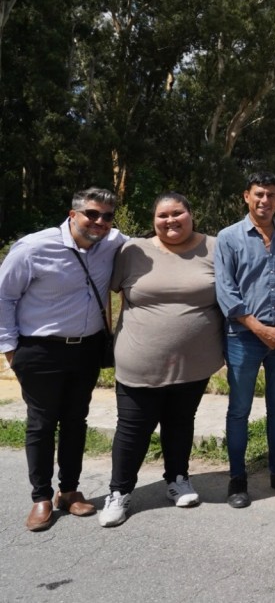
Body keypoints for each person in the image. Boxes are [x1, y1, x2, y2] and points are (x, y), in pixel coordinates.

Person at [0, 187, 124, 531]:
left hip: (86, 348)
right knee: (41, 424)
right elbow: (3, 298)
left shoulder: (112, 243)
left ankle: (68, 491)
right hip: (39, 350)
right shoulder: (33, 248)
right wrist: (11, 352)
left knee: (75, 421)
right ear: (73, 215)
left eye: (107, 216)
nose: (99, 222)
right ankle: (40, 497)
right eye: (92, 214)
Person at [97, 193, 223, 527]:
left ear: (191, 214)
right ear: (153, 220)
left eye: (177, 213)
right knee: (133, 428)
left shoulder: (215, 247)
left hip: (195, 361)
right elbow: (108, 292)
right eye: (163, 215)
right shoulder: (132, 250)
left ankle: (177, 479)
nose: (171, 221)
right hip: (139, 358)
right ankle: (119, 493)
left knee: (181, 421)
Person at [215, 172, 275, 509]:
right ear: (246, 197)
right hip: (243, 336)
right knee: (239, 409)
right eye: (258, 194)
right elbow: (226, 291)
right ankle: (237, 478)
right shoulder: (228, 238)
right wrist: (258, 328)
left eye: (271, 194)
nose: (264, 200)